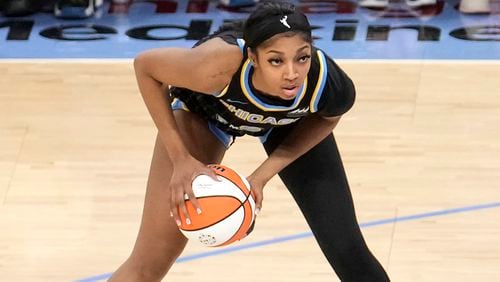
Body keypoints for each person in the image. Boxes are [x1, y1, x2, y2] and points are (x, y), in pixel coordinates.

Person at [109, 1, 390, 281]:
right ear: (253, 58)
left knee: (347, 247)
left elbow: (328, 119)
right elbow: (145, 67)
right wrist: (181, 158)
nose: (292, 73)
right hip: (205, 114)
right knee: (150, 260)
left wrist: (261, 176)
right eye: (276, 60)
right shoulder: (216, 66)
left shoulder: (325, 82)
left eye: (302, 57)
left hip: (286, 122)